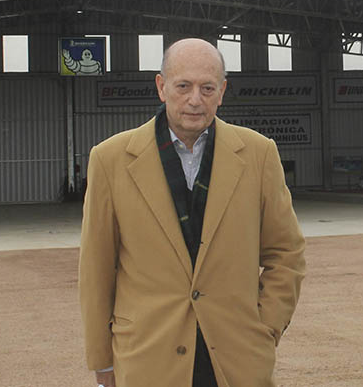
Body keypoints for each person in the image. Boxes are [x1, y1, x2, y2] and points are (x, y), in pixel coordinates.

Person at [79, 38, 306, 387]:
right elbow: (96, 269)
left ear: (222, 91)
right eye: (183, 86)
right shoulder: (110, 160)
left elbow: (286, 253)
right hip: (147, 360)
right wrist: (102, 360)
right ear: (161, 86)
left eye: (207, 87)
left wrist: (266, 326)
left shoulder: (259, 155)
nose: (195, 99)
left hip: (237, 358)